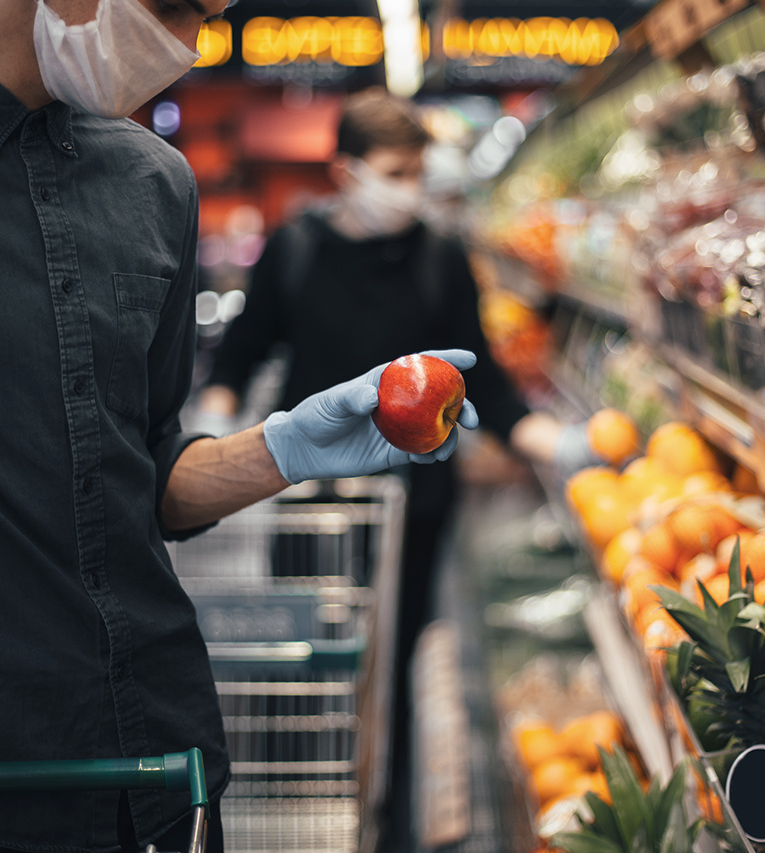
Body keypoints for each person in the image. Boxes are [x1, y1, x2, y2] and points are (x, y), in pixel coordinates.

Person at [0, 2, 481, 852]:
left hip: (164, 776)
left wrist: (283, 448)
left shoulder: (155, 183)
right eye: (176, 8)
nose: (191, 43)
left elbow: (142, 472)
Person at [195, 88, 601, 851]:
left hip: (417, 501)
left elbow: (485, 379)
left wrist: (552, 442)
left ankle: (389, 826)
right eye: (392, 170)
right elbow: (241, 352)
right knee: (313, 669)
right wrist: (215, 428)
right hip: (312, 502)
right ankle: (314, 806)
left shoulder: (441, 253)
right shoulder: (297, 247)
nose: (408, 187)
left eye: (416, 170)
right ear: (346, 170)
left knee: (398, 658)